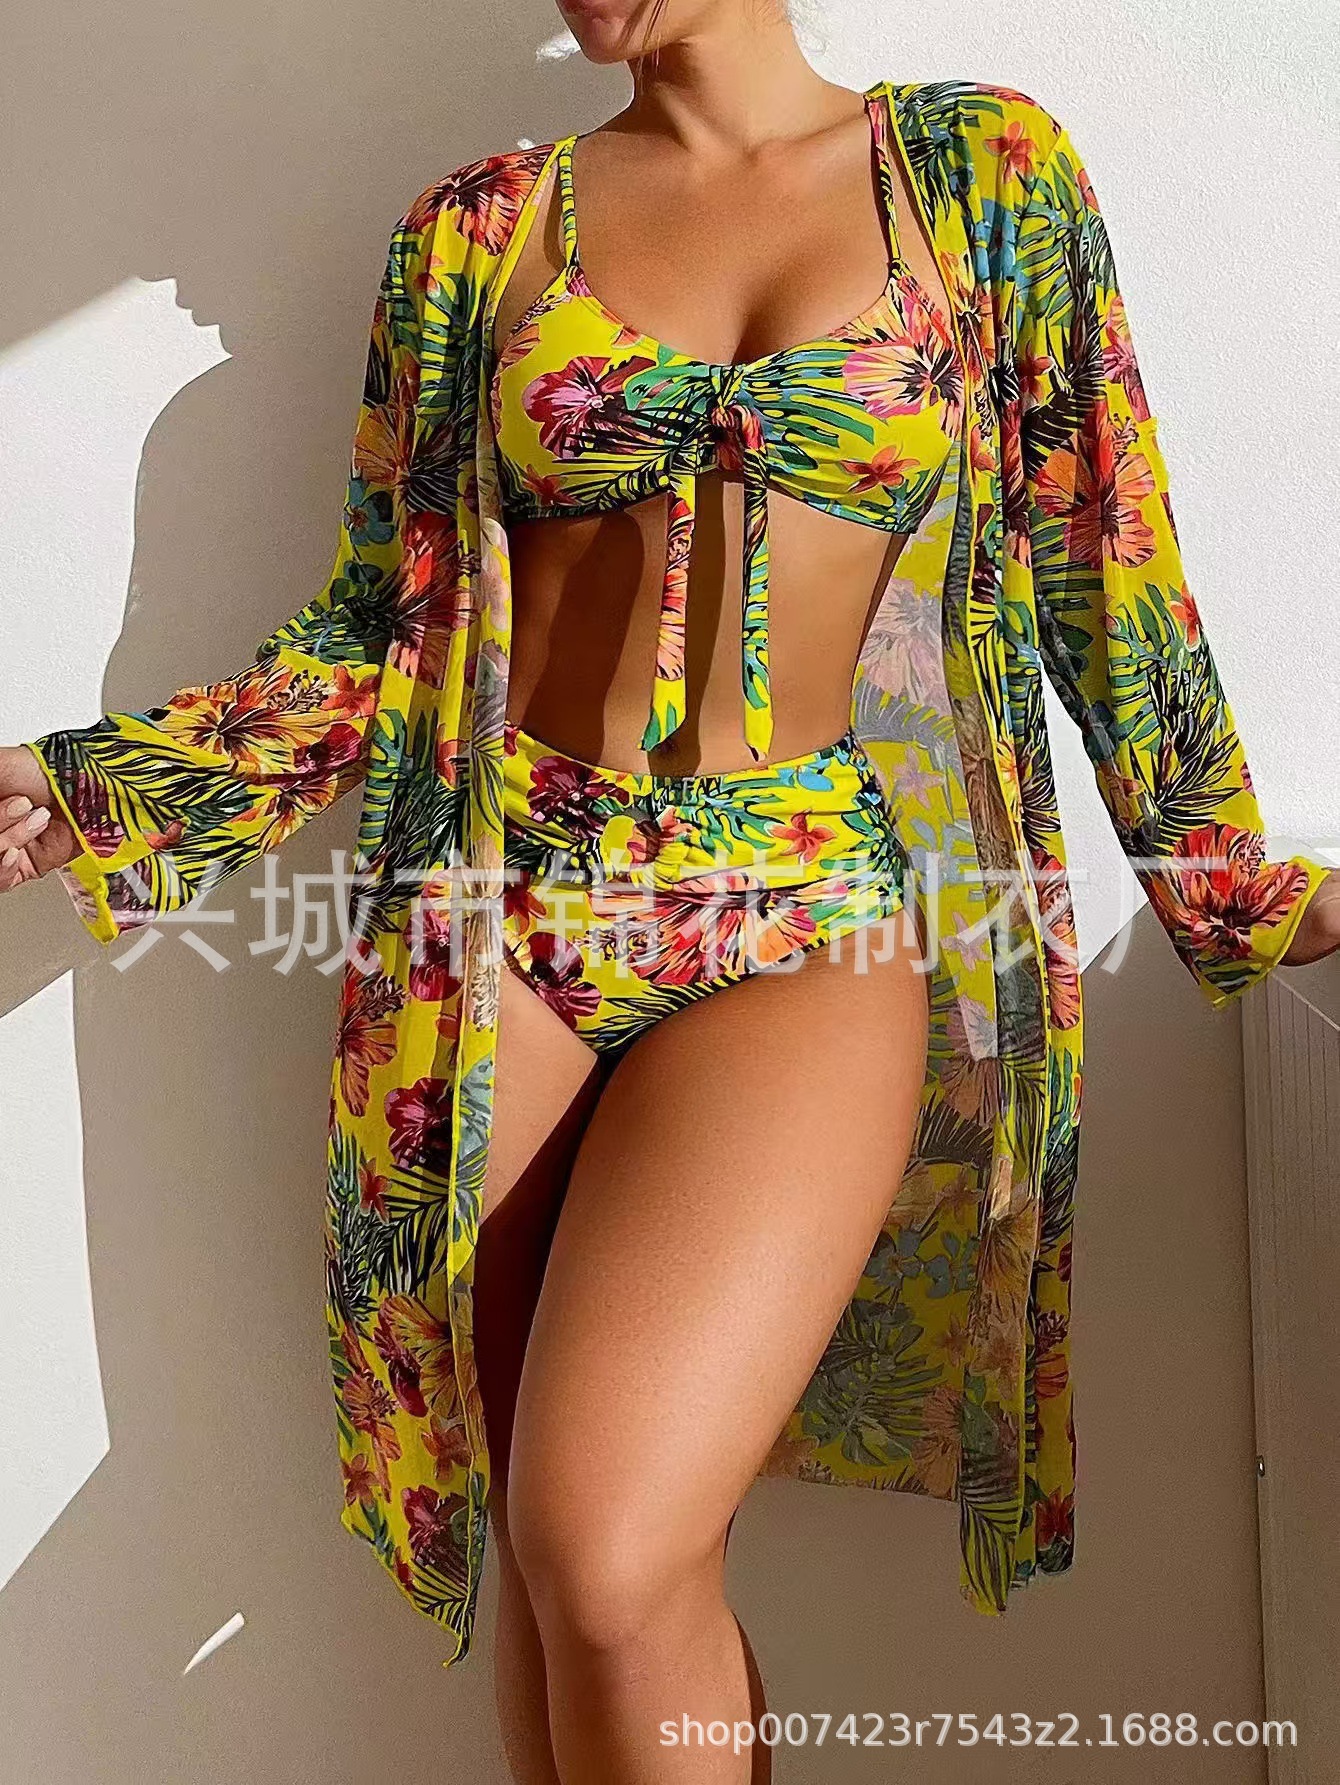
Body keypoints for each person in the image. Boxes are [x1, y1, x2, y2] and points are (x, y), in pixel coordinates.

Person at [4, 3, 1338, 1782]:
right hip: (503, 918)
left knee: (603, 1535)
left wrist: (1230, 878)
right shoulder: (481, 227)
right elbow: (383, 625)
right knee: (561, 1570)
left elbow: (1103, 548)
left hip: (808, 910)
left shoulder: (977, 174)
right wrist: (104, 787)